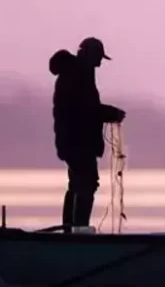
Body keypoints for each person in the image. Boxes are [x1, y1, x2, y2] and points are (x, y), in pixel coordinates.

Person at [49, 37, 125, 232]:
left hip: (72, 141)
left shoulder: (77, 72)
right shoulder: (78, 74)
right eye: (99, 57)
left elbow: (84, 108)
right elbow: (85, 109)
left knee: (77, 184)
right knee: (86, 184)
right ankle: (77, 231)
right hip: (78, 143)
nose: (100, 62)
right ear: (90, 55)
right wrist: (111, 113)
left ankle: (70, 229)